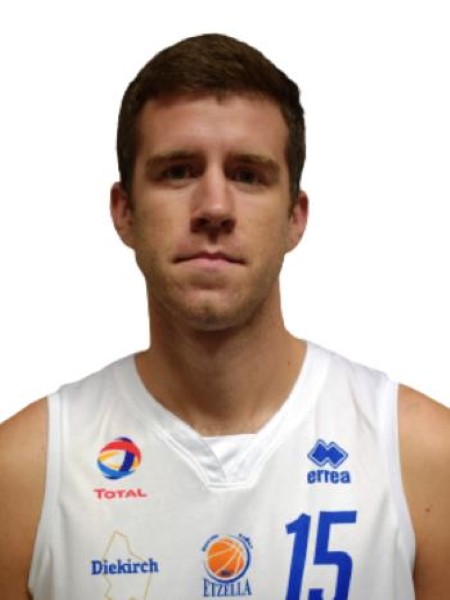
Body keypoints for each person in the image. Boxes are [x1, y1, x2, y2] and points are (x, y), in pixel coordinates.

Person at [0, 33, 449, 600]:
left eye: (248, 175)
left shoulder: (422, 456)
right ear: (124, 212)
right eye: (178, 171)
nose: (214, 207)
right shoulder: (24, 472)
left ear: (295, 217)